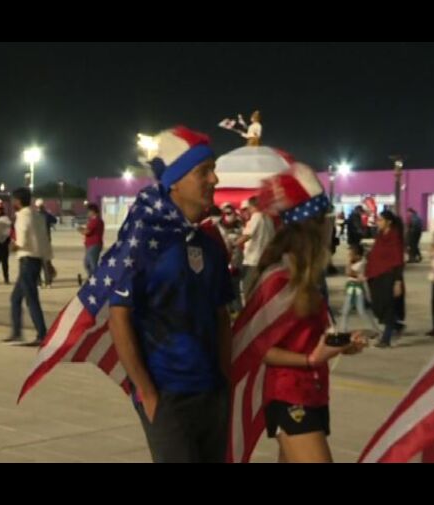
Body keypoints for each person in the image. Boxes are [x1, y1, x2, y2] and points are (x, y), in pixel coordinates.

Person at [109, 126, 234, 462]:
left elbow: (222, 314)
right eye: (203, 171)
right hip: (167, 395)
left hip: (211, 392)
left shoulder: (211, 245)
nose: (215, 180)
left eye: (214, 169)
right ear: (175, 181)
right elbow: (118, 315)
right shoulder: (143, 243)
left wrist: (224, 378)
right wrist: (147, 393)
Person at [230, 159, 367, 463]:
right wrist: (311, 359)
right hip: (289, 394)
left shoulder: (305, 278)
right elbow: (259, 348)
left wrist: (341, 344)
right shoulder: (280, 281)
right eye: (327, 219)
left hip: (313, 391)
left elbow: (307, 337)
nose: (333, 227)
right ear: (314, 227)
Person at [4, 188, 51, 346]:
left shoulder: (22, 216)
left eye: (13, 200)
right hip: (36, 261)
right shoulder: (38, 216)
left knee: (31, 299)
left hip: (27, 261)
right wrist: (48, 262)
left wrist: (13, 246)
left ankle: (42, 334)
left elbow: (22, 241)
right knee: (16, 298)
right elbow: (45, 241)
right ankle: (17, 332)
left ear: (17, 201)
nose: (12, 203)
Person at [366, 210, 406, 348]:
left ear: (388, 222)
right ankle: (397, 326)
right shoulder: (380, 236)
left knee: (388, 308)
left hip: (390, 276)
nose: (378, 222)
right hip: (376, 276)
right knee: (377, 307)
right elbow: (376, 255)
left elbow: (398, 260)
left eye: (381, 220)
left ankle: (386, 339)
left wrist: (397, 281)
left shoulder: (395, 237)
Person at [339, 243, 380, 335]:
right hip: (350, 289)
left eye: (351, 255)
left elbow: (350, 272)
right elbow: (348, 272)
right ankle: (342, 330)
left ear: (358, 256)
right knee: (346, 310)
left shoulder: (363, 264)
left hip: (358, 290)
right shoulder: (355, 263)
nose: (349, 256)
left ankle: (374, 329)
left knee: (361, 311)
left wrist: (349, 264)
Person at [78, 203, 104, 279]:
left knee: (92, 264)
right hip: (91, 245)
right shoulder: (95, 220)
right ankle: (92, 278)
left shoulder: (95, 221)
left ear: (93, 211)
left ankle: (95, 279)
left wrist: (80, 229)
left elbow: (87, 232)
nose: (88, 213)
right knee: (87, 263)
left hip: (94, 245)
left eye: (89, 211)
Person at [35, 198, 57, 288]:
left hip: (37, 243)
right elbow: (55, 220)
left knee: (37, 264)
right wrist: (47, 212)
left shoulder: (34, 216)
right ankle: (48, 283)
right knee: (46, 264)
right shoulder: (47, 215)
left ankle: (38, 283)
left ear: (36, 206)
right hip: (46, 242)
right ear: (43, 206)